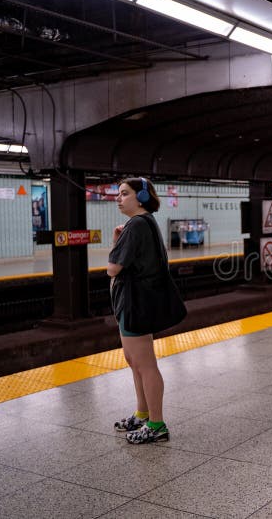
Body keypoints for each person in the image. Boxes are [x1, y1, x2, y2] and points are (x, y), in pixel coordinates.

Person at [107, 177, 170, 444]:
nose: (118, 198)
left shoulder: (137, 225)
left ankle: (156, 424)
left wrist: (115, 245)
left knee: (145, 364)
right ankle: (143, 413)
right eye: (118, 194)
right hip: (131, 301)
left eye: (124, 193)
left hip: (135, 302)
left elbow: (113, 267)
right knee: (134, 362)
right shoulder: (140, 224)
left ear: (141, 197)